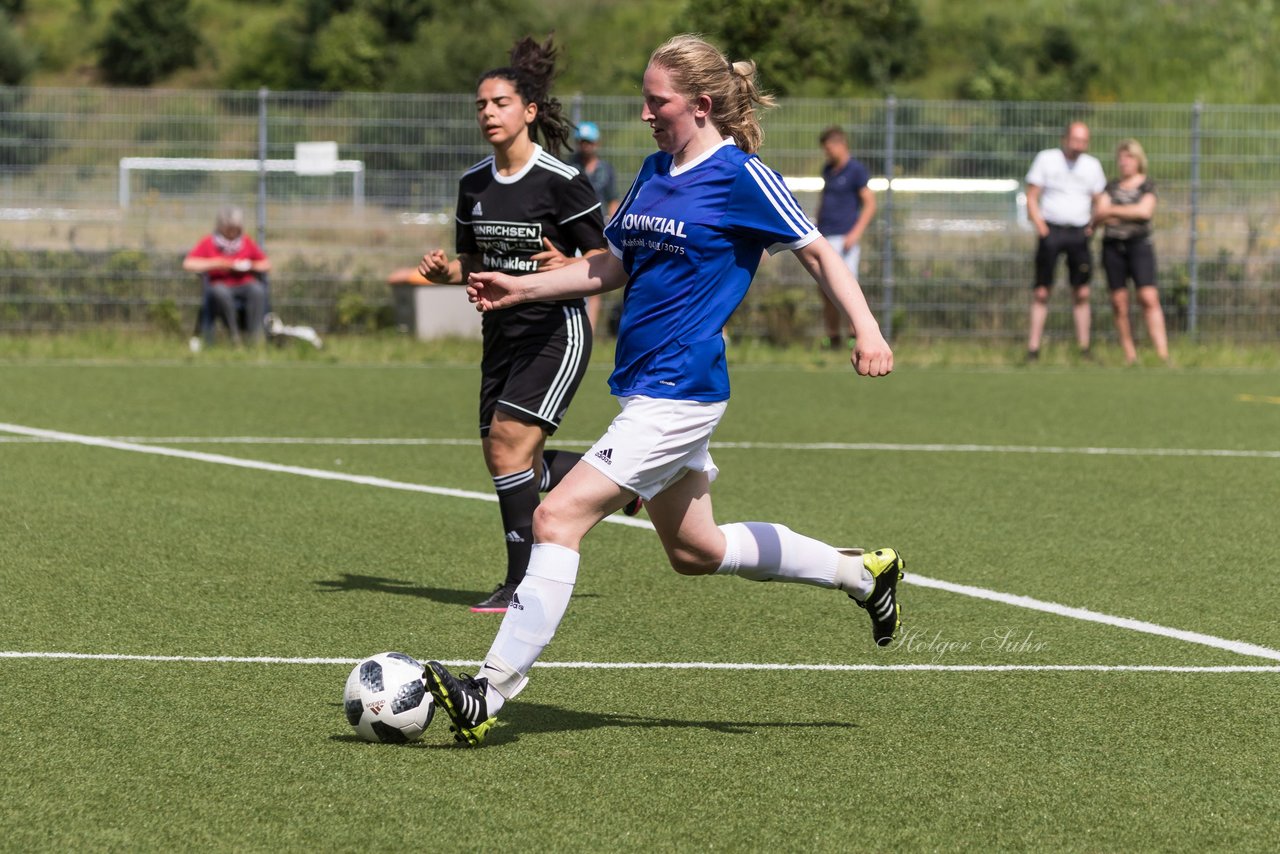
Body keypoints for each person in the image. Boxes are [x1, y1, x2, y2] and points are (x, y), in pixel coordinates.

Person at [421, 34, 903, 747]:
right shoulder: (653, 171)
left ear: (701, 105)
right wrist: (520, 285)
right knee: (696, 551)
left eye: (657, 101)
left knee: (556, 519)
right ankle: (862, 574)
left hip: (682, 394)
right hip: (646, 388)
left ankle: (486, 691)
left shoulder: (742, 176)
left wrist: (867, 329)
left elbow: (817, 248)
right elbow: (607, 267)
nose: (645, 112)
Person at [415, 36, 632, 615]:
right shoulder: (474, 184)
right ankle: (625, 483)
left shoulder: (561, 180)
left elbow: (610, 260)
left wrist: (573, 264)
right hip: (501, 336)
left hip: (555, 332)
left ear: (529, 112)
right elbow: (473, 262)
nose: (488, 112)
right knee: (506, 456)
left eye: (500, 102)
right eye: (481, 105)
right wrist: (445, 271)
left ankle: (519, 586)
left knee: (511, 446)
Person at [1024, 121, 1107, 361]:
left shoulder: (1092, 166)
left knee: (1081, 291)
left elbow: (1100, 200)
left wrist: (1093, 225)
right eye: (1076, 140)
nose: (1080, 145)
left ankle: (1083, 348)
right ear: (1065, 139)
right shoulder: (1046, 159)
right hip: (1051, 231)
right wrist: (1041, 226)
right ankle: (1033, 348)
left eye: (1084, 141)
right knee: (1041, 291)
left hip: (1079, 234)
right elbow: (1032, 196)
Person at [1094, 139, 1169, 365]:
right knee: (1119, 301)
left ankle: (1162, 355)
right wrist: (1125, 212)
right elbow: (1098, 214)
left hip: (1139, 245)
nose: (1125, 162)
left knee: (1148, 297)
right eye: (1122, 157)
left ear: (1139, 160)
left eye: (1130, 157)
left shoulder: (1147, 185)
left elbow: (1144, 212)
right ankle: (1130, 355)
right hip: (1112, 247)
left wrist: (1113, 211)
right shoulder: (1111, 186)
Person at [815, 126, 876, 350]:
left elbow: (870, 203)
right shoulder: (828, 170)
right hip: (825, 236)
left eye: (829, 148)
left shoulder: (856, 170)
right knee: (825, 288)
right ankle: (833, 337)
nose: (827, 153)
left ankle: (855, 334)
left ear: (841, 145)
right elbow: (824, 199)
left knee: (848, 287)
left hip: (845, 238)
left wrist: (855, 233)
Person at [183, 206, 270, 346]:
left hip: (244, 283)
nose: (232, 232)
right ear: (221, 227)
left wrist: (250, 265)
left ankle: (254, 339)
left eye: (235, 228)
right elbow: (188, 264)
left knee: (257, 290)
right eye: (229, 228)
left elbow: (266, 264)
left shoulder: (246, 242)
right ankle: (234, 337)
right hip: (219, 285)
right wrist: (217, 263)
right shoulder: (208, 242)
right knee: (220, 293)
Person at [569, 121, 621, 333]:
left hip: (598, 230)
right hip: (573, 230)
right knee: (571, 275)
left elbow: (613, 199)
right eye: (582, 142)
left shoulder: (605, 170)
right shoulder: (571, 167)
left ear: (596, 143)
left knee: (594, 279)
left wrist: (613, 226)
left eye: (589, 142)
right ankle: (571, 325)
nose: (585, 146)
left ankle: (588, 330)